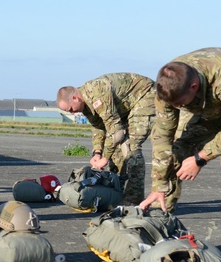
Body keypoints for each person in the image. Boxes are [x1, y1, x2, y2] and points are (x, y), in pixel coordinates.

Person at [138, 47, 221, 252]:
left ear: (193, 86)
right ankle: (159, 221)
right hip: (209, 105)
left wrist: (200, 158)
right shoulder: (167, 87)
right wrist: (158, 186)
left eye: (179, 104)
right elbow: (162, 137)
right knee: (178, 148)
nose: (175, 108)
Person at [56, 73, 155, 204]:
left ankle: (133, 199)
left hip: (145, 96)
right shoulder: (84, 104)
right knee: (117, 152)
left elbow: (116, 132)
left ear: (75, 98)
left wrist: (105, 158)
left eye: (71, 110)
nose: (72, 113)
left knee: (131, 147)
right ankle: (116, 193)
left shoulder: (98, 92)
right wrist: (97, 152)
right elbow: (99, 127)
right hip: (126, 108)